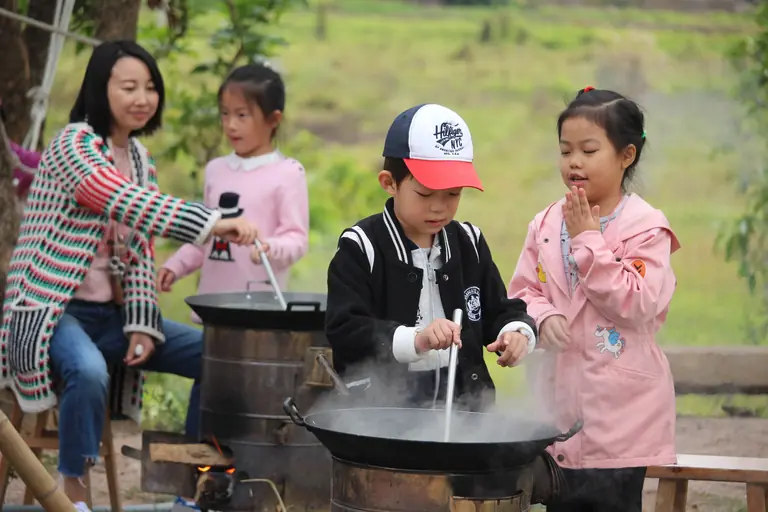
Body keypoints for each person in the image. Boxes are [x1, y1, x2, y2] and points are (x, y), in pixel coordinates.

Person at [0, 40, 258, 512]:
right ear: (101, 89)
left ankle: (194, 484)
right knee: (89, 370)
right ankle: (71, 492)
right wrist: (211, 222)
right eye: (129, 87)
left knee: (216, 355)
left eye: (150, 87)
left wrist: (141, 321)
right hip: (51, 310)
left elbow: (139, 248)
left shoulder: (139, 158)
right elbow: (125, 202)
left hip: (111, 315)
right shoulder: (72, 145)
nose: (143, 98)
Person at [508, 86, 680, 511]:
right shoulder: (546, 223)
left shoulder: (646, 228)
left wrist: (589, 239)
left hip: (620, 421)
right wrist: (543, 316)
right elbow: (523, 291)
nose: (574, 162)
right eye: (566, 151)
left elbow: (638, 303)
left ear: (627, 155)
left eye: (588, 150)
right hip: (557, 412)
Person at [324, 103, 537, 412]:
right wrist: (415, 340)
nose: (439, 208)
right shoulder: (362, 248)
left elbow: (498, 310)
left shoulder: (469, 244)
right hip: (382, 413)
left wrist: (516, 332)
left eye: (453, 194)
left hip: (463, 407)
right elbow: (345, 328)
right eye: (425, 194)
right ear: (389, 183)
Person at [158, 63, 309, 316]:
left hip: (261, 308)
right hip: (212, 307)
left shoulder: (288, 173)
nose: (230, 125)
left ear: (273, 119)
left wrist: (269, 248)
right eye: (225, 114)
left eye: (242, 115)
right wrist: (176, 265)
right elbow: (204, 235)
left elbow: (296, 239)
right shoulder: (216, 170)